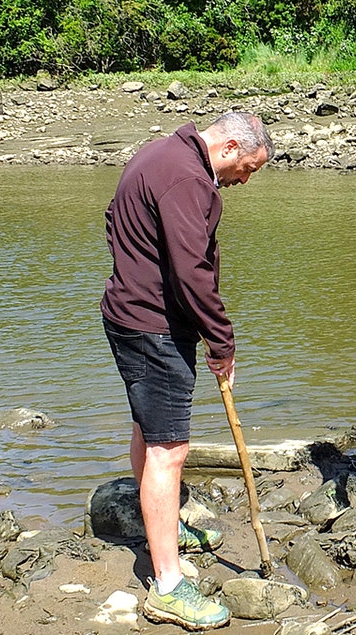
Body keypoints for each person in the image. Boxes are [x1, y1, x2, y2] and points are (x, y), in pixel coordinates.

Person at [102, 112, 273, 630]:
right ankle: (170, 584)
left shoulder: (158, 153)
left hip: (127, 314)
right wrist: (222, 342)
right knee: (169, 448)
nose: (243, 181)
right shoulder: (187, 178)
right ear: (228, 146)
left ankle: (165, 528)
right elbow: (192, 271)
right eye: (246, 169)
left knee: (147, 428)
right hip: (153, 328)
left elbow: (113, 218)